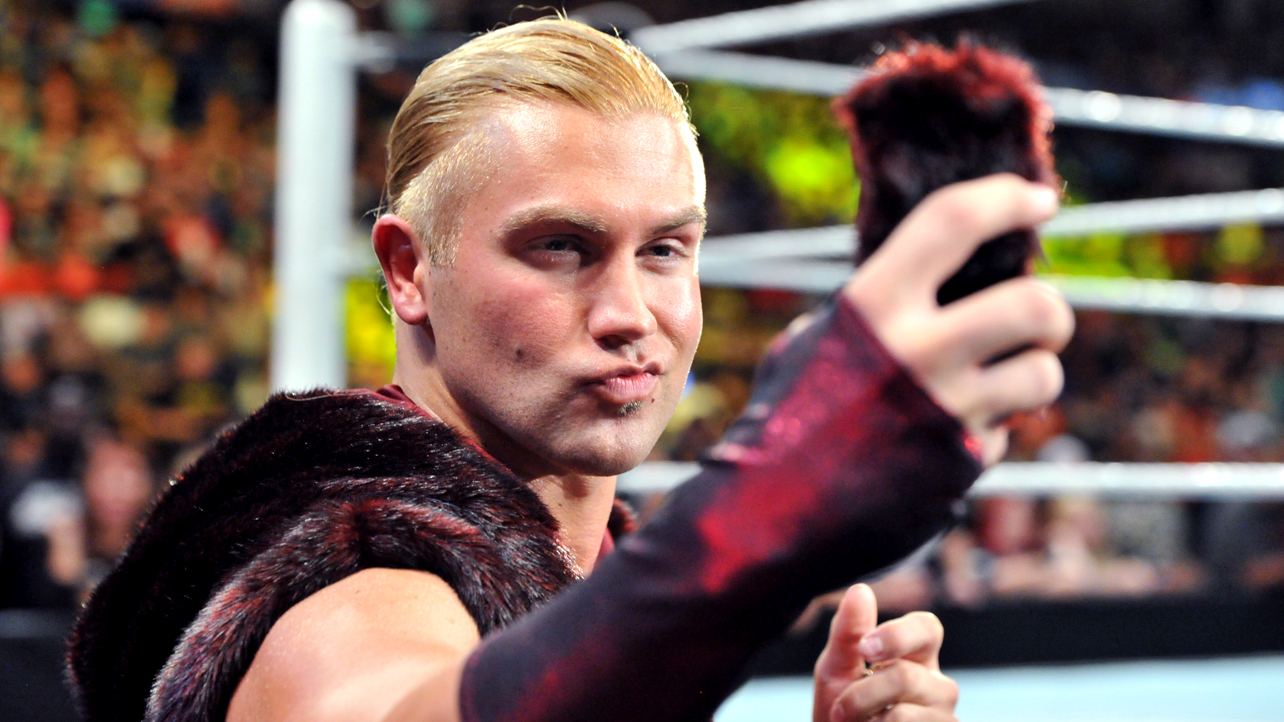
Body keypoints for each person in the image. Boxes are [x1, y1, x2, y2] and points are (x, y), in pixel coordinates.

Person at [67, 18, 1072, 722]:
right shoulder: (354, 568)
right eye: (560, 247)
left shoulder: (574, 571)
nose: (630, 313)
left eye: (665, 249)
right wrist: (771, 510)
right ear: (410, 271)